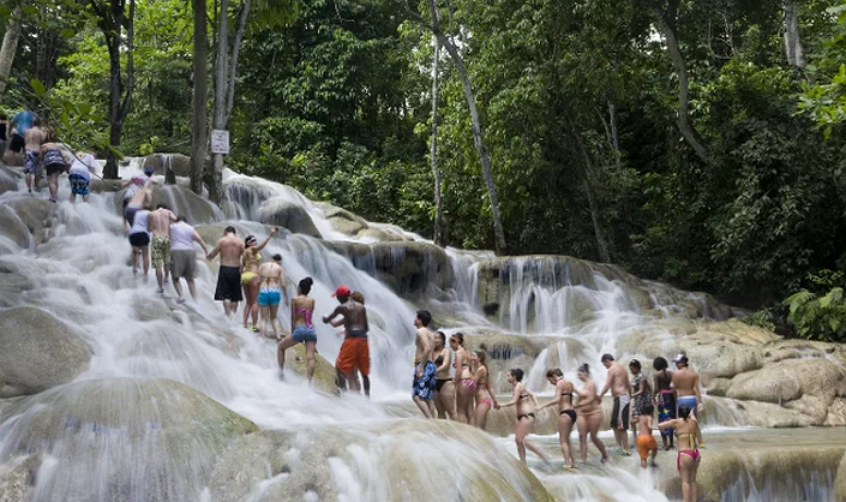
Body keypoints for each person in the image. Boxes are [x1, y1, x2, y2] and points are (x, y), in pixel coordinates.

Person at [323, 285, 370, 397]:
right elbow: (365, 328)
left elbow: (332, 322)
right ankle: (363, 398)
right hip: (362, 342)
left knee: (344, 371)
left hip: (351, 344)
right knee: (357, 375)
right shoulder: (360, 312)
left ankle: (346, 397)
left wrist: (325, 317)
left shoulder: (345, 309)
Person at [498, 368, 548, 466]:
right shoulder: (518, 386)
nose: (506, 377)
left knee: (521, 439)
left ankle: (541, 454)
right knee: (518, 440)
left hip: (527, 415)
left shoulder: (519, 386)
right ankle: (523, 463)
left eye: (508, 375)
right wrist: (537, 405)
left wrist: (501, 405)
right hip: (520, 416)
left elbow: (514, 401)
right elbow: (532, 394)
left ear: (514, 377)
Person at [277, 277, 317, 384]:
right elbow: (310, 316)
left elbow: (293, 317)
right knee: (310, 357)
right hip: (310, 329)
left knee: (281, 347)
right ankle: (309, 383)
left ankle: (280, 373)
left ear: (299, 288)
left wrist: (292, 331)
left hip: (299, 329)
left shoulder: (295, 299)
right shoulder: (312, 301)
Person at [659, 405, 702, 502]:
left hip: (685, 454)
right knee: (692, 481)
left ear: (679, 413)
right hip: (695, 453)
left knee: (685, 482)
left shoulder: (676, 422)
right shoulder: (693, 421)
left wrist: (670, 423)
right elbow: (692, 418)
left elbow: (660, 426)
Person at [537, 368, 577, 469]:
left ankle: (567, 464)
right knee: (567, 439)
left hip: (565, 413)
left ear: (554, 376)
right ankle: (574, 462)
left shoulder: (559, 383)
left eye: (550, 381)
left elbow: (557, 399)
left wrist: (543, 406)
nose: (551, 383)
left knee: (563, 440)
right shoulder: (569, 383)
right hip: (572, 413)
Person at [241, 230, 277, 331]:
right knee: (255, 302)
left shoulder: (244, 252)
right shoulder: (252, 249)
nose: (254, 242)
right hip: (253, 276)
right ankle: (254, 326)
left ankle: (244, 323)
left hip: (245, 276)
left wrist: (239, 278)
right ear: (248, 243)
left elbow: (242, 266)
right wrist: (270, 235)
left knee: (248, 302)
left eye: (255, 240)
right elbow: (261, 247)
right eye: (252, 240)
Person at [207, 226, 245, 317]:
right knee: (235, 295)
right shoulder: (240, 242)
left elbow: (213, 253)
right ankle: (234, 315)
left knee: (225, 294)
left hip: (225, 268)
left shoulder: (222, 241)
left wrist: (208, 257)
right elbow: (246, 257)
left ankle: (228, 315)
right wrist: (243, 268)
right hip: (236, 269)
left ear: (226, 232)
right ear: (234, 233)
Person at [574, 364, 608, 464]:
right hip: (582, 414)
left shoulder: (591, 383)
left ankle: (605, 454)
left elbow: (591, 399)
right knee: (582, 436)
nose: (578, 376)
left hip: (594, 413)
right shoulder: (583, 386)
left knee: (593, 437)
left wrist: (576, 406)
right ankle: (583, 460)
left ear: (585, 373)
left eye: (579, 374)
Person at [169, 216, 208, 303]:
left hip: (177, 251)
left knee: (175, 277)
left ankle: (181, 296)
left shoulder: (172, 227)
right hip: (190, 252)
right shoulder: (190, 228)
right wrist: (206, 251)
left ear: (177, 220)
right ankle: (195, 299)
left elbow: (167, 238)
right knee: (190, 278)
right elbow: (199, 239)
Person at [598, 353, 631, 455]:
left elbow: (607, 384)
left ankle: (626, 448)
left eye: (605, 364)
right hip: (622, 397)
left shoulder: (612, 369)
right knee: (614, 424)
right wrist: (631, 395)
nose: (605, 367)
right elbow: (628, 384)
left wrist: (600, 396)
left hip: (622, 398)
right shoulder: (622, 368)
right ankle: (619, 446)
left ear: (607, 360)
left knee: (621, 425)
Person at [412, 310, 436, 418]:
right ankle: (434, 423)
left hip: (424, 365)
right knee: (428, 399)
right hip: (430, 365)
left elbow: (427, 348)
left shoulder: (420, 331)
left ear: (419, 320)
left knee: (416, 396)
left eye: (415, 317)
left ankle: (430, 421)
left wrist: (421, 367)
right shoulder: (429, 333)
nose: (414, 319)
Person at [148, 204, 177, 294]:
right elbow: (176, 220)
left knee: (158, 264)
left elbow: (149, 228)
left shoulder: (151, 214)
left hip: (156, 237)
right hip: (166, 237)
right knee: (166, 260)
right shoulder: (168, 212)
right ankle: (167, 278)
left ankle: (160, 287)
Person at [258, 254, 288, 339]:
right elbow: (283, 284)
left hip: (263, 290)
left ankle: (262, 337)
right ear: (279, 261)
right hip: (274, 290)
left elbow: (258, 280)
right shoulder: (279, 268)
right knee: (274, 317)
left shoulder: (263, 266)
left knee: (264, 318)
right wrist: (286, 297)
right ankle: (278, 336)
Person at [450, 333, 475, 424]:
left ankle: (463, 436)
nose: (451, 347)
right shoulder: (467, 352)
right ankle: (473, 433)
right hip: (471, 381)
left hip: (463, 381)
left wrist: (456, 381)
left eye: (451, 344)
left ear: (456, 342)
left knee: (460, 411)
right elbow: (471, 367)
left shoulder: (458, 352)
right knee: (470, 413)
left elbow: (459, 369)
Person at [432, 331, 456, 420]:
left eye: (438, 338)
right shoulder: (430, 351)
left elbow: (445, 365)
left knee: (451, 411)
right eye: (434, 338)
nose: (436, 340)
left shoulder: (446, 351)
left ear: (443, 340)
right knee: (440, 410)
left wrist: (435, 371)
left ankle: (459, 431)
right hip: (433, 382)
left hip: (445, 381)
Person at [629, 359, 652, 451]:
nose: (631, 370)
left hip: (643, 401)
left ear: (637, 368)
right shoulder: (635, 377)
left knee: (641, 420)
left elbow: (642, 390)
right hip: (637, 401)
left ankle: (646, 439)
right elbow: (649, 386)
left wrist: (632, 395)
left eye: (632, 369)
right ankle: (636, 439)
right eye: (630, 369)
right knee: (632, 421)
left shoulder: (641, 376)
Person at [653, 356, 676, 450]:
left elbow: (657, 389)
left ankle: (665, 444)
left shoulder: (656, 375)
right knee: (671, 418)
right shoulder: (671, 373)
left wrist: (652, 396)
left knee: (662, 420)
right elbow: (673, 387)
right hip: (670, 397)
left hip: (662, 397)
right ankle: (671, 443)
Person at [672, 354, 703, 421]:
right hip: (692, 399)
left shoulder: (675, 374)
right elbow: (697, 389)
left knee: (682, 420)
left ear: (683, 363)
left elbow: (674, 389)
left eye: (677, 363)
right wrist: (700, 403)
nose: (676, 364)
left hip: (681, 399)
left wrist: (674, 401)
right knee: (693, 420)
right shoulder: (693, 373)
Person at [471, 350, 497, 430]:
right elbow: (489, 387)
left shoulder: (481, 369)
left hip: (482, 401)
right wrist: (495, 401)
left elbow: (472, 383)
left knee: (477, 428)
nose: (471, 358)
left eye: (474, 356)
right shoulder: (482, 368)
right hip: (483, 401)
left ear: (480, 358)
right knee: (482, 429)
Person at [128, 203, 151, 282]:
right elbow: (150, 226)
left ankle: (134, 268)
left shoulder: (137, 213)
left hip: (133, 233)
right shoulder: (150, 213)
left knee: (135, 252)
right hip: (143, 233)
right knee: (145, 256)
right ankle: (145, 275)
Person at [23, 118, 44, 194]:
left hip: (28, 150)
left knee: (27, 171)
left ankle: (28, 188)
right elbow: (41, 143)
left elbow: (25, 142)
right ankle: (36, 185)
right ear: (40, 124)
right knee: (38, 170)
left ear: (32, 124)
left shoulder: (27, 131)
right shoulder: (41, 132)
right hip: (37, 150)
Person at [635, 403, 659, 469]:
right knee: (655, 448)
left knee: (643, 458)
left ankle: (644, 473)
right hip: (648, 437)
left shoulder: (640, 417)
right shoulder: (649, 417)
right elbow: (649, 426)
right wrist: (657, 427)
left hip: (640, 438)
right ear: (651, 411)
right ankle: (652, 460)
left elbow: (632, 421)